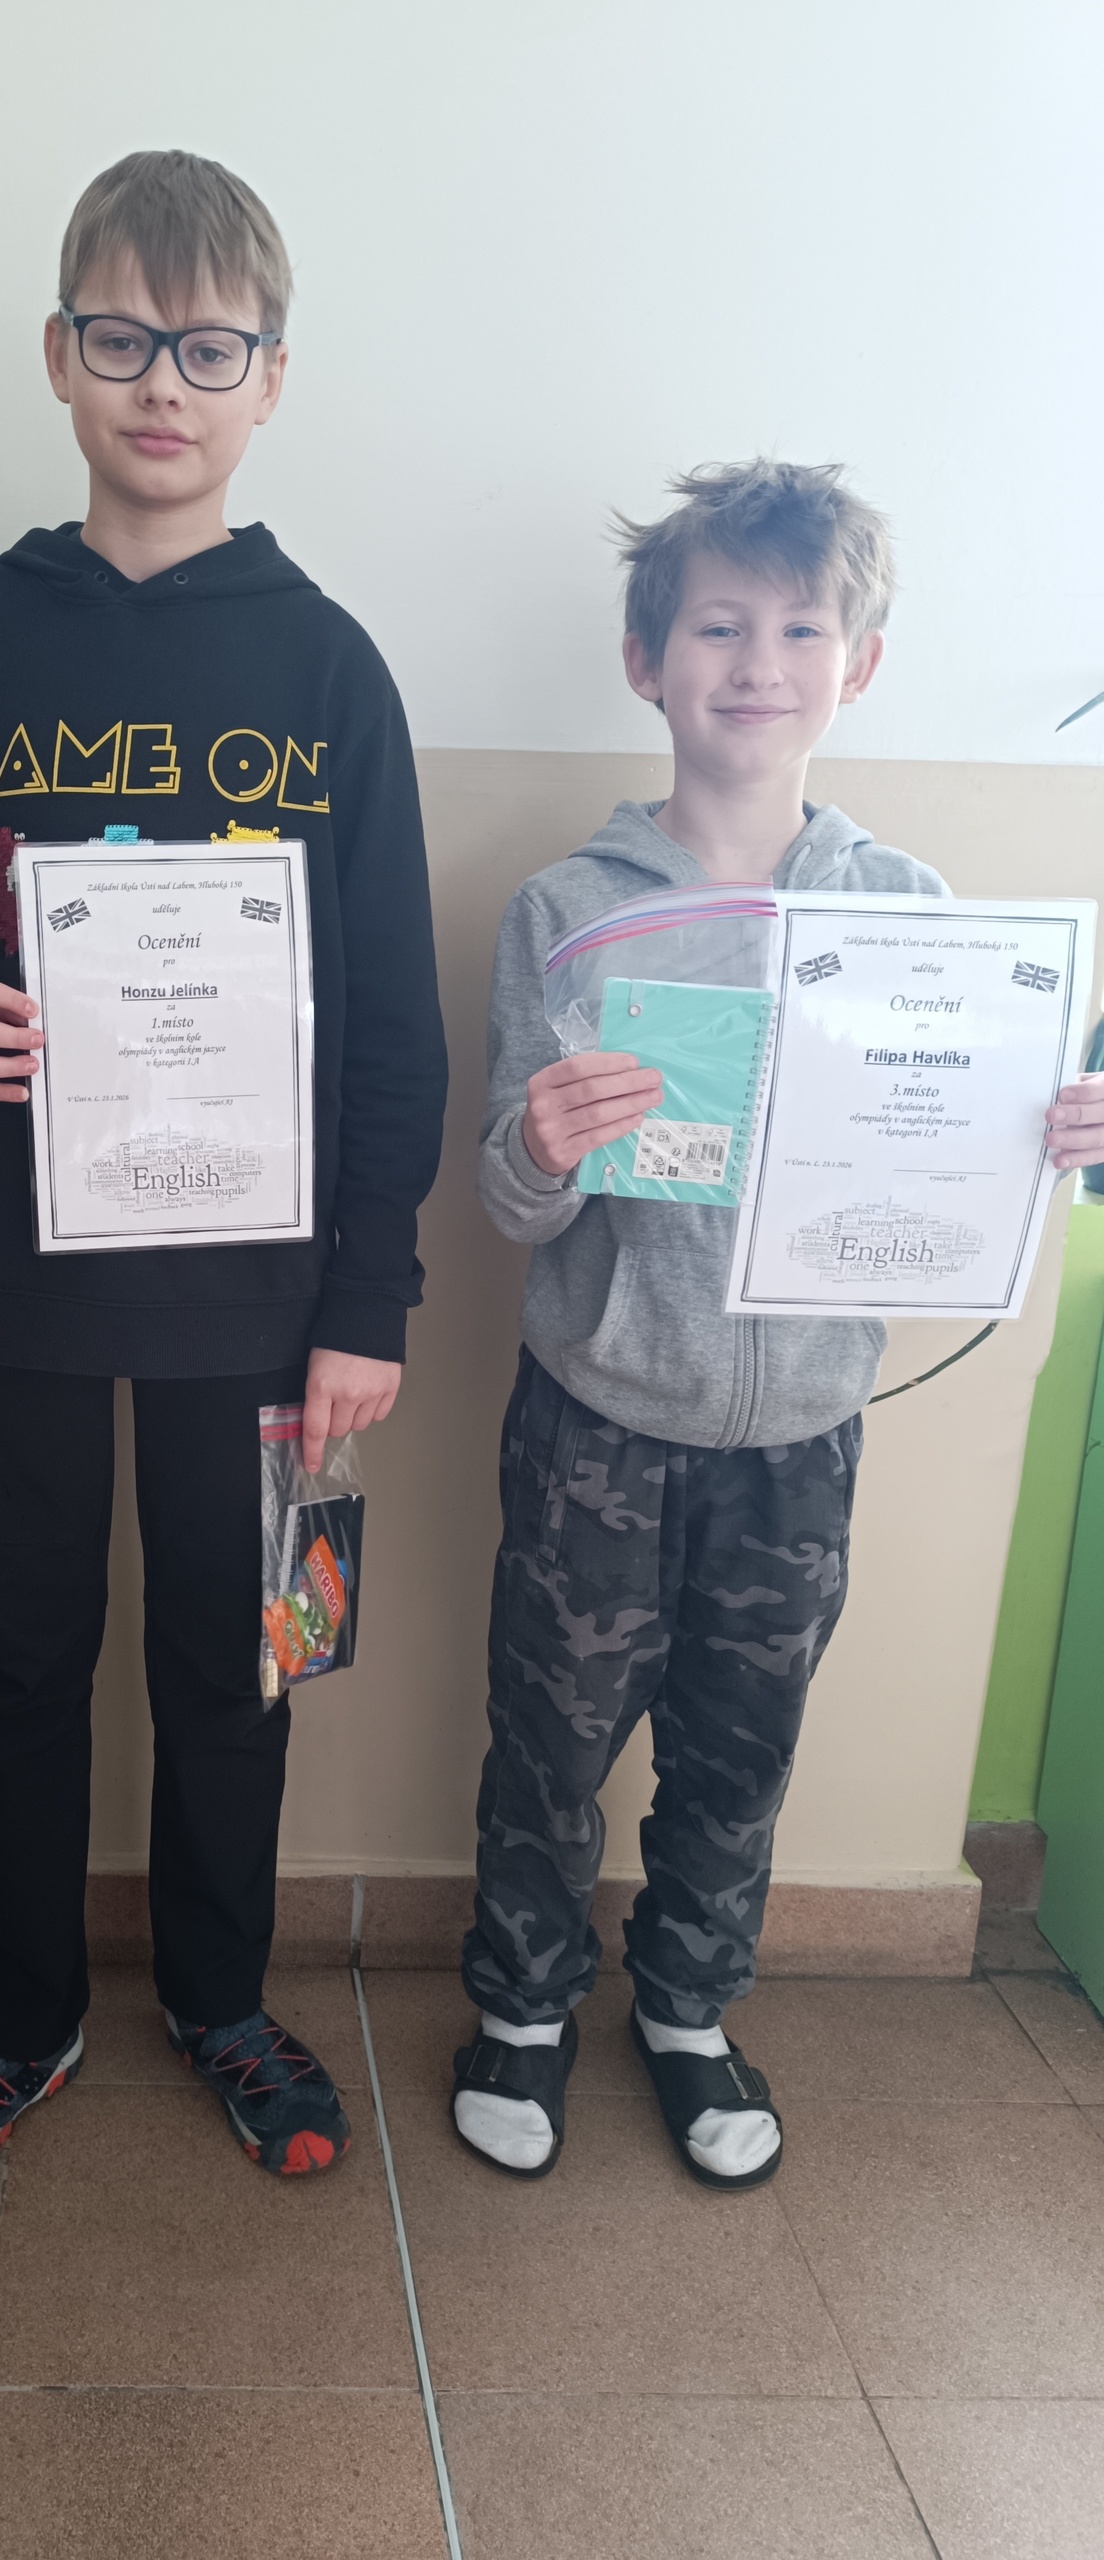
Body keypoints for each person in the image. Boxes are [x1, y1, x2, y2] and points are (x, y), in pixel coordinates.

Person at [0, 150, 447, 2208]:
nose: (166, 381)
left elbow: (392, 1019)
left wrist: (368, 1300)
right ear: (59, 358)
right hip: (16, 1280)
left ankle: (223, 1997)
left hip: (263, 1297)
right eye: (124, 338)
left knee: (240, 1661)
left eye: (211, 347)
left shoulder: (328, 668)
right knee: (15, 1655)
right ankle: (19, 2018)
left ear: (272, 380)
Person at [460, 462, 929, 2187]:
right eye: (719, 627)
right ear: (646, 659)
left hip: (802, 1430)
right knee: (551, 1741)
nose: (759, 664)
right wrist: (540, 1146)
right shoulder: (567, 911)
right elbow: (511, 1205)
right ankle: (520, 2008)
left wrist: (1027, 1144)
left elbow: (936, 1187)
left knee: (742, 1751)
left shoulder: (907, 914)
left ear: (857, 665)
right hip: (598, 1417)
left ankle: (685, 2007)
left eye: (801, 630)